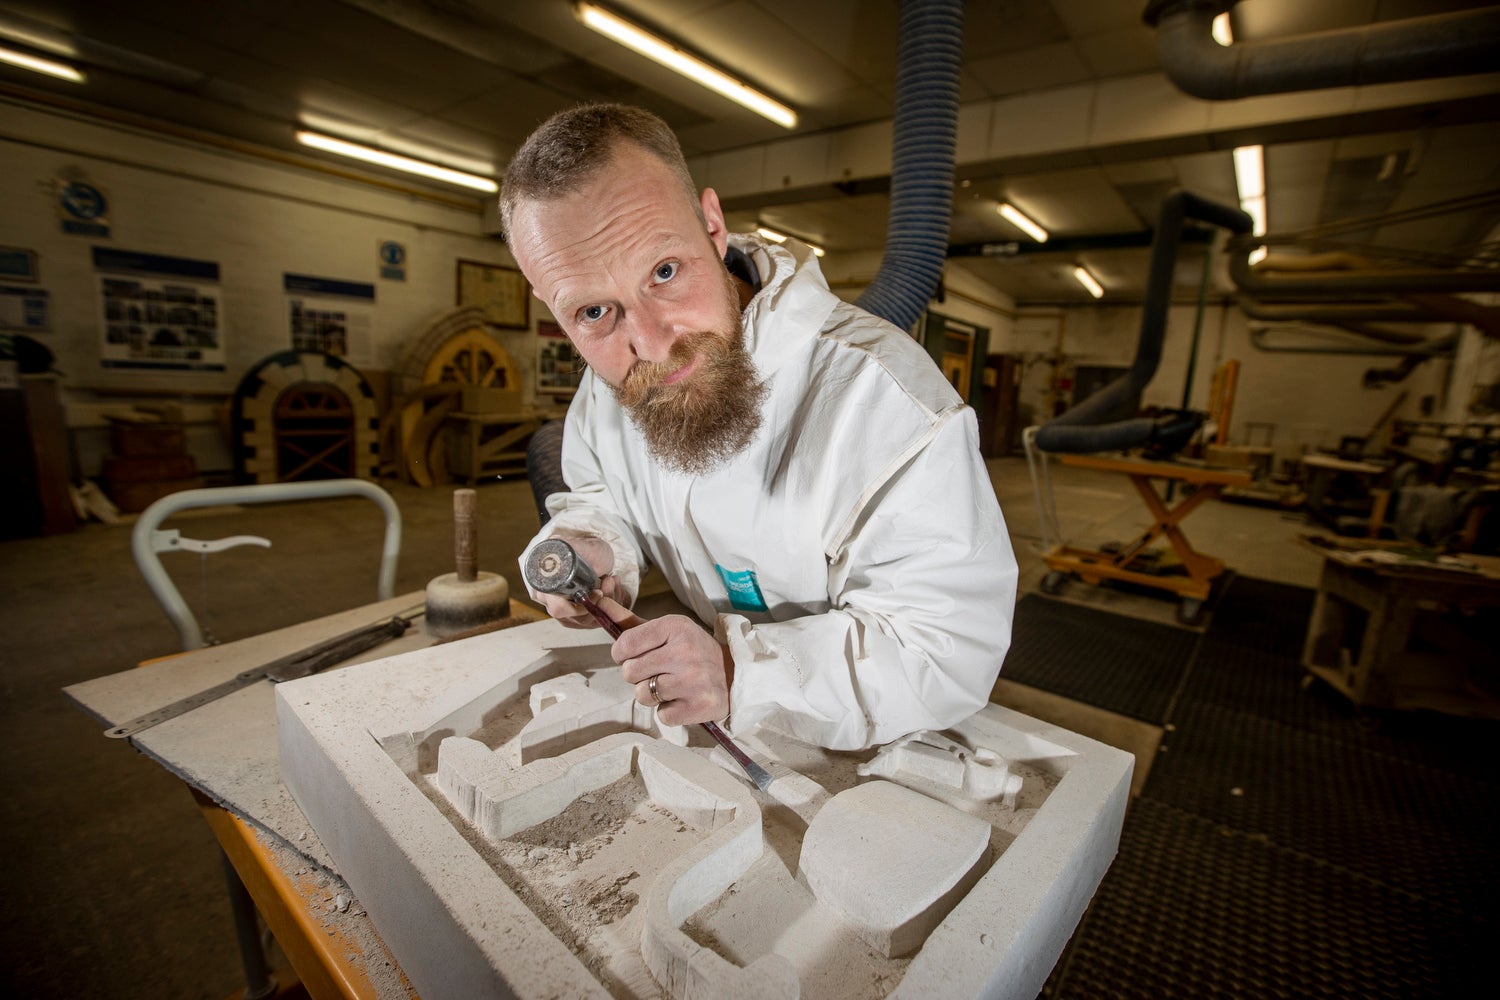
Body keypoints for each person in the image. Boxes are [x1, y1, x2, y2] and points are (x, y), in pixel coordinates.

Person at [503, 103, 1017, 751]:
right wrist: (594, 543)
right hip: (714, 715)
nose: (652, 345)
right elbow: (600, 493)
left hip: (876, 736)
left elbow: (944, 651)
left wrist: (742, 671)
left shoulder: (888, 403)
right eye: (593, 312)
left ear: (712, 226)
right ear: (554, 307)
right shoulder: (611, 380)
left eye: (665, 272)